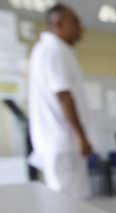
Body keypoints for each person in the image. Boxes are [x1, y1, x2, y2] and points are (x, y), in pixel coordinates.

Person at [28, 4, 93, 199]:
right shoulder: (55, 50)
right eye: (75, 21)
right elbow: (63, 95)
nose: (80, 26)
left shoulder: (48, 50)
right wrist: (81, 136)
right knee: (71, 204)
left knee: (67, 204)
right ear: (58, 24)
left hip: (59, 142)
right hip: (64, 143)